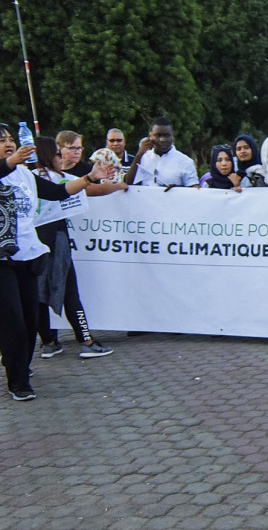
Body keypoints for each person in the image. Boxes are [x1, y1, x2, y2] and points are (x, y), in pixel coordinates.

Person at [0, 126, 112, 400]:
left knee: (29, 319)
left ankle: (20, 366)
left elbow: (57, 192)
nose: (8, 143)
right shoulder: (8, 168)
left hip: (29, 254)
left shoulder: (25, 174)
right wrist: (7, 163)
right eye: (1, 140)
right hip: (2, 261)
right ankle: (18, 382)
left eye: (10, 139)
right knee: (11, 320)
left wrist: (89, 177)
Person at [33, 137, 114, 359]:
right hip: (55, 241)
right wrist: (115, 185)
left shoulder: (27, 177)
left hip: (34, 243)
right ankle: (85, 340)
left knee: (38, 293)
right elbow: (91, 190)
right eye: (58, 153)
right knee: (70, 292)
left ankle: (49, 342)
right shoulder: (55, 180)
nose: (61, 158)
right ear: (49, 156)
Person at [124, 117, 199, 188]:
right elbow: (128, 183)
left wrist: (177, 189)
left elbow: (195, 190)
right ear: (150, 135)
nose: (162, 140)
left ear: (172, 135)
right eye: (158, 135)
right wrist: (139, 154)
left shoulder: (185, 161)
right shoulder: (143, 157)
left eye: (167, 135)